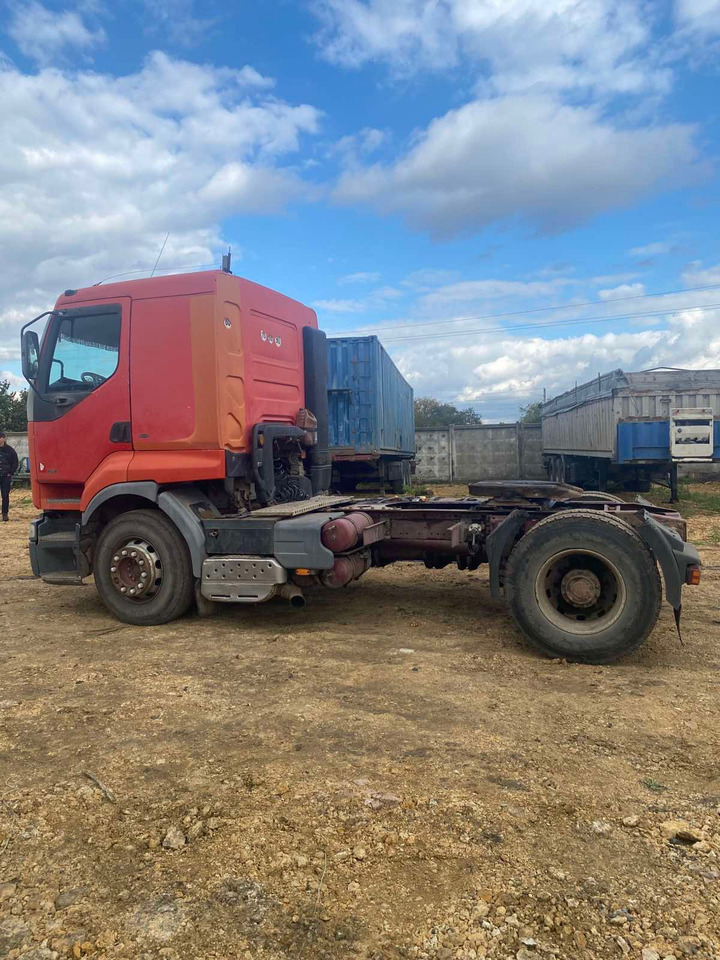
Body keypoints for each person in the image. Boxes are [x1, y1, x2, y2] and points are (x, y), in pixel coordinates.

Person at [0, 430, 19, 522]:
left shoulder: (10, 450)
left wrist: (10, 473)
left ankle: (4, 514)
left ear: (4, 438)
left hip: (5, 476)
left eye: (0, 437)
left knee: (5, 495)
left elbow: (15, 462)